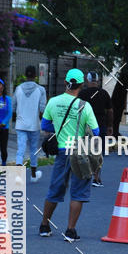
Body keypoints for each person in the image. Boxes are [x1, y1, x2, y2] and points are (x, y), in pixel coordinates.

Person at [38, 69, 100, 242]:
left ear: (66, 83)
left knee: (55, 189)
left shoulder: (53, 102)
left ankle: (44, 225)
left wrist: (60, 129)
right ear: (81, 85)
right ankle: (70, 231)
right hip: (79, 152)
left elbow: (45, 125)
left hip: (61, 152)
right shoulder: (85, 106)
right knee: (78, 192)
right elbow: (96, 131)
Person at [13, 65, 47, 182]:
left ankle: (18, 176)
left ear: (25, 75)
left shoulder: (18, 88)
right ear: (35, 75)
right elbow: (43, 109)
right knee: (33, 150)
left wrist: (17, 116)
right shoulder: (41, 90)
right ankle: (33, 175)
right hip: (34, 125)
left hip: (20, 124)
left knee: (20, 149)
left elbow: (13, 107)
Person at [79, 71, 112, 186]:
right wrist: (110, 126)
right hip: (100, 126)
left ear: (87, 81)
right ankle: (96, 178)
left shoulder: (82, 94)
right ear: (97, 81)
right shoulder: (104, 93)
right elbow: (110, 111)